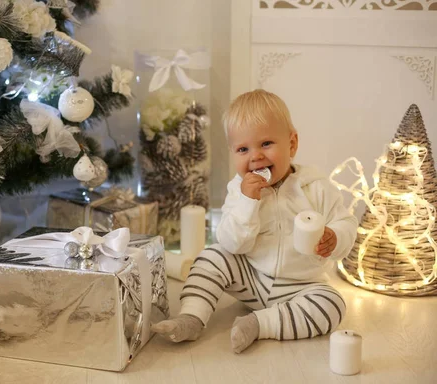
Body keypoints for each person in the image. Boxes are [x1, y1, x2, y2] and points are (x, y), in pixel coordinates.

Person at [152, 89, 358, 353]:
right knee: (212, 255)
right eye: (243, 149)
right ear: (232, 153)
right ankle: (191, 317)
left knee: (332, 305)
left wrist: (336, 237)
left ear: (292, 144)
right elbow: (231, 243)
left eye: (266, 144)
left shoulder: (316, 187)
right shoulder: (238, 190)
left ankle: (260, 324)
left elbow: (347, 222)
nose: (256, 156)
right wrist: (249, 202)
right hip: (252, 277)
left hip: (301, 286)